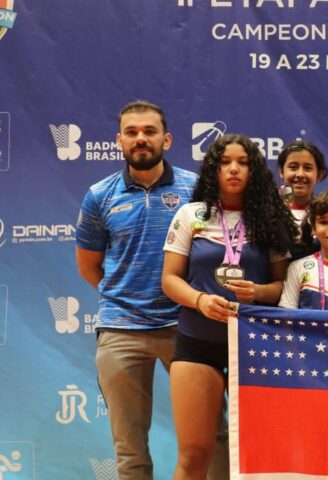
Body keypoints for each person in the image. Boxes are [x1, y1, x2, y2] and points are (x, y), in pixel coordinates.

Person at [76, 100, 231, 480]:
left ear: (167, 138)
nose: (140, 139)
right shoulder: (100, 195)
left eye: (149, 131)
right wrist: (126, 298)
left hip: (189, 330)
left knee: (215, 436)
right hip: (121, 332)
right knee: (129, 448)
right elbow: (88, 266)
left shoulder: (197, 189)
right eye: (131, 132)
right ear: (119, 141)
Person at [161, 134, 296, 479]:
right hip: (197, 345)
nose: (233, 169)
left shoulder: (271, 219)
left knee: (258, 457)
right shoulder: (191, 214)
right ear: (213, 169)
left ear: (254, 170)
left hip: (255, 349)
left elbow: (283, 287)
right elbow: (170, 280)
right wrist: (200, 300)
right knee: (193, 456)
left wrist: (258, 292)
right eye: (224, 162)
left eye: (243, 162)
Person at [277, 140, 328, 260]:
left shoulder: (326, 212)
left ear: (319, 174)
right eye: (293, 167)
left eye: (308, 168)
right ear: (281, 172)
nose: (300, 174)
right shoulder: (268, 211)